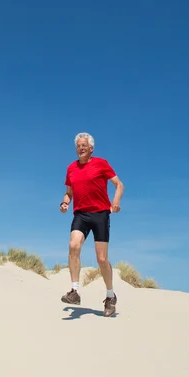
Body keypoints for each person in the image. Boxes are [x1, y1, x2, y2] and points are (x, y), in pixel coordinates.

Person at [59, 132, 125, 317]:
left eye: (84, 145)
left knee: (102, 259)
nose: (80, 148)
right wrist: (65, 202)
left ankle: (110, 296)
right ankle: (74, 291)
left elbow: (119, 184)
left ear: (91, 148)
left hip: (100, 214)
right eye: (78, 145)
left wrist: (116, 202)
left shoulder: (101, 163)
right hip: (80, 213)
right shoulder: (71, 168)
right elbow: (69, 193)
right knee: (73, 245)